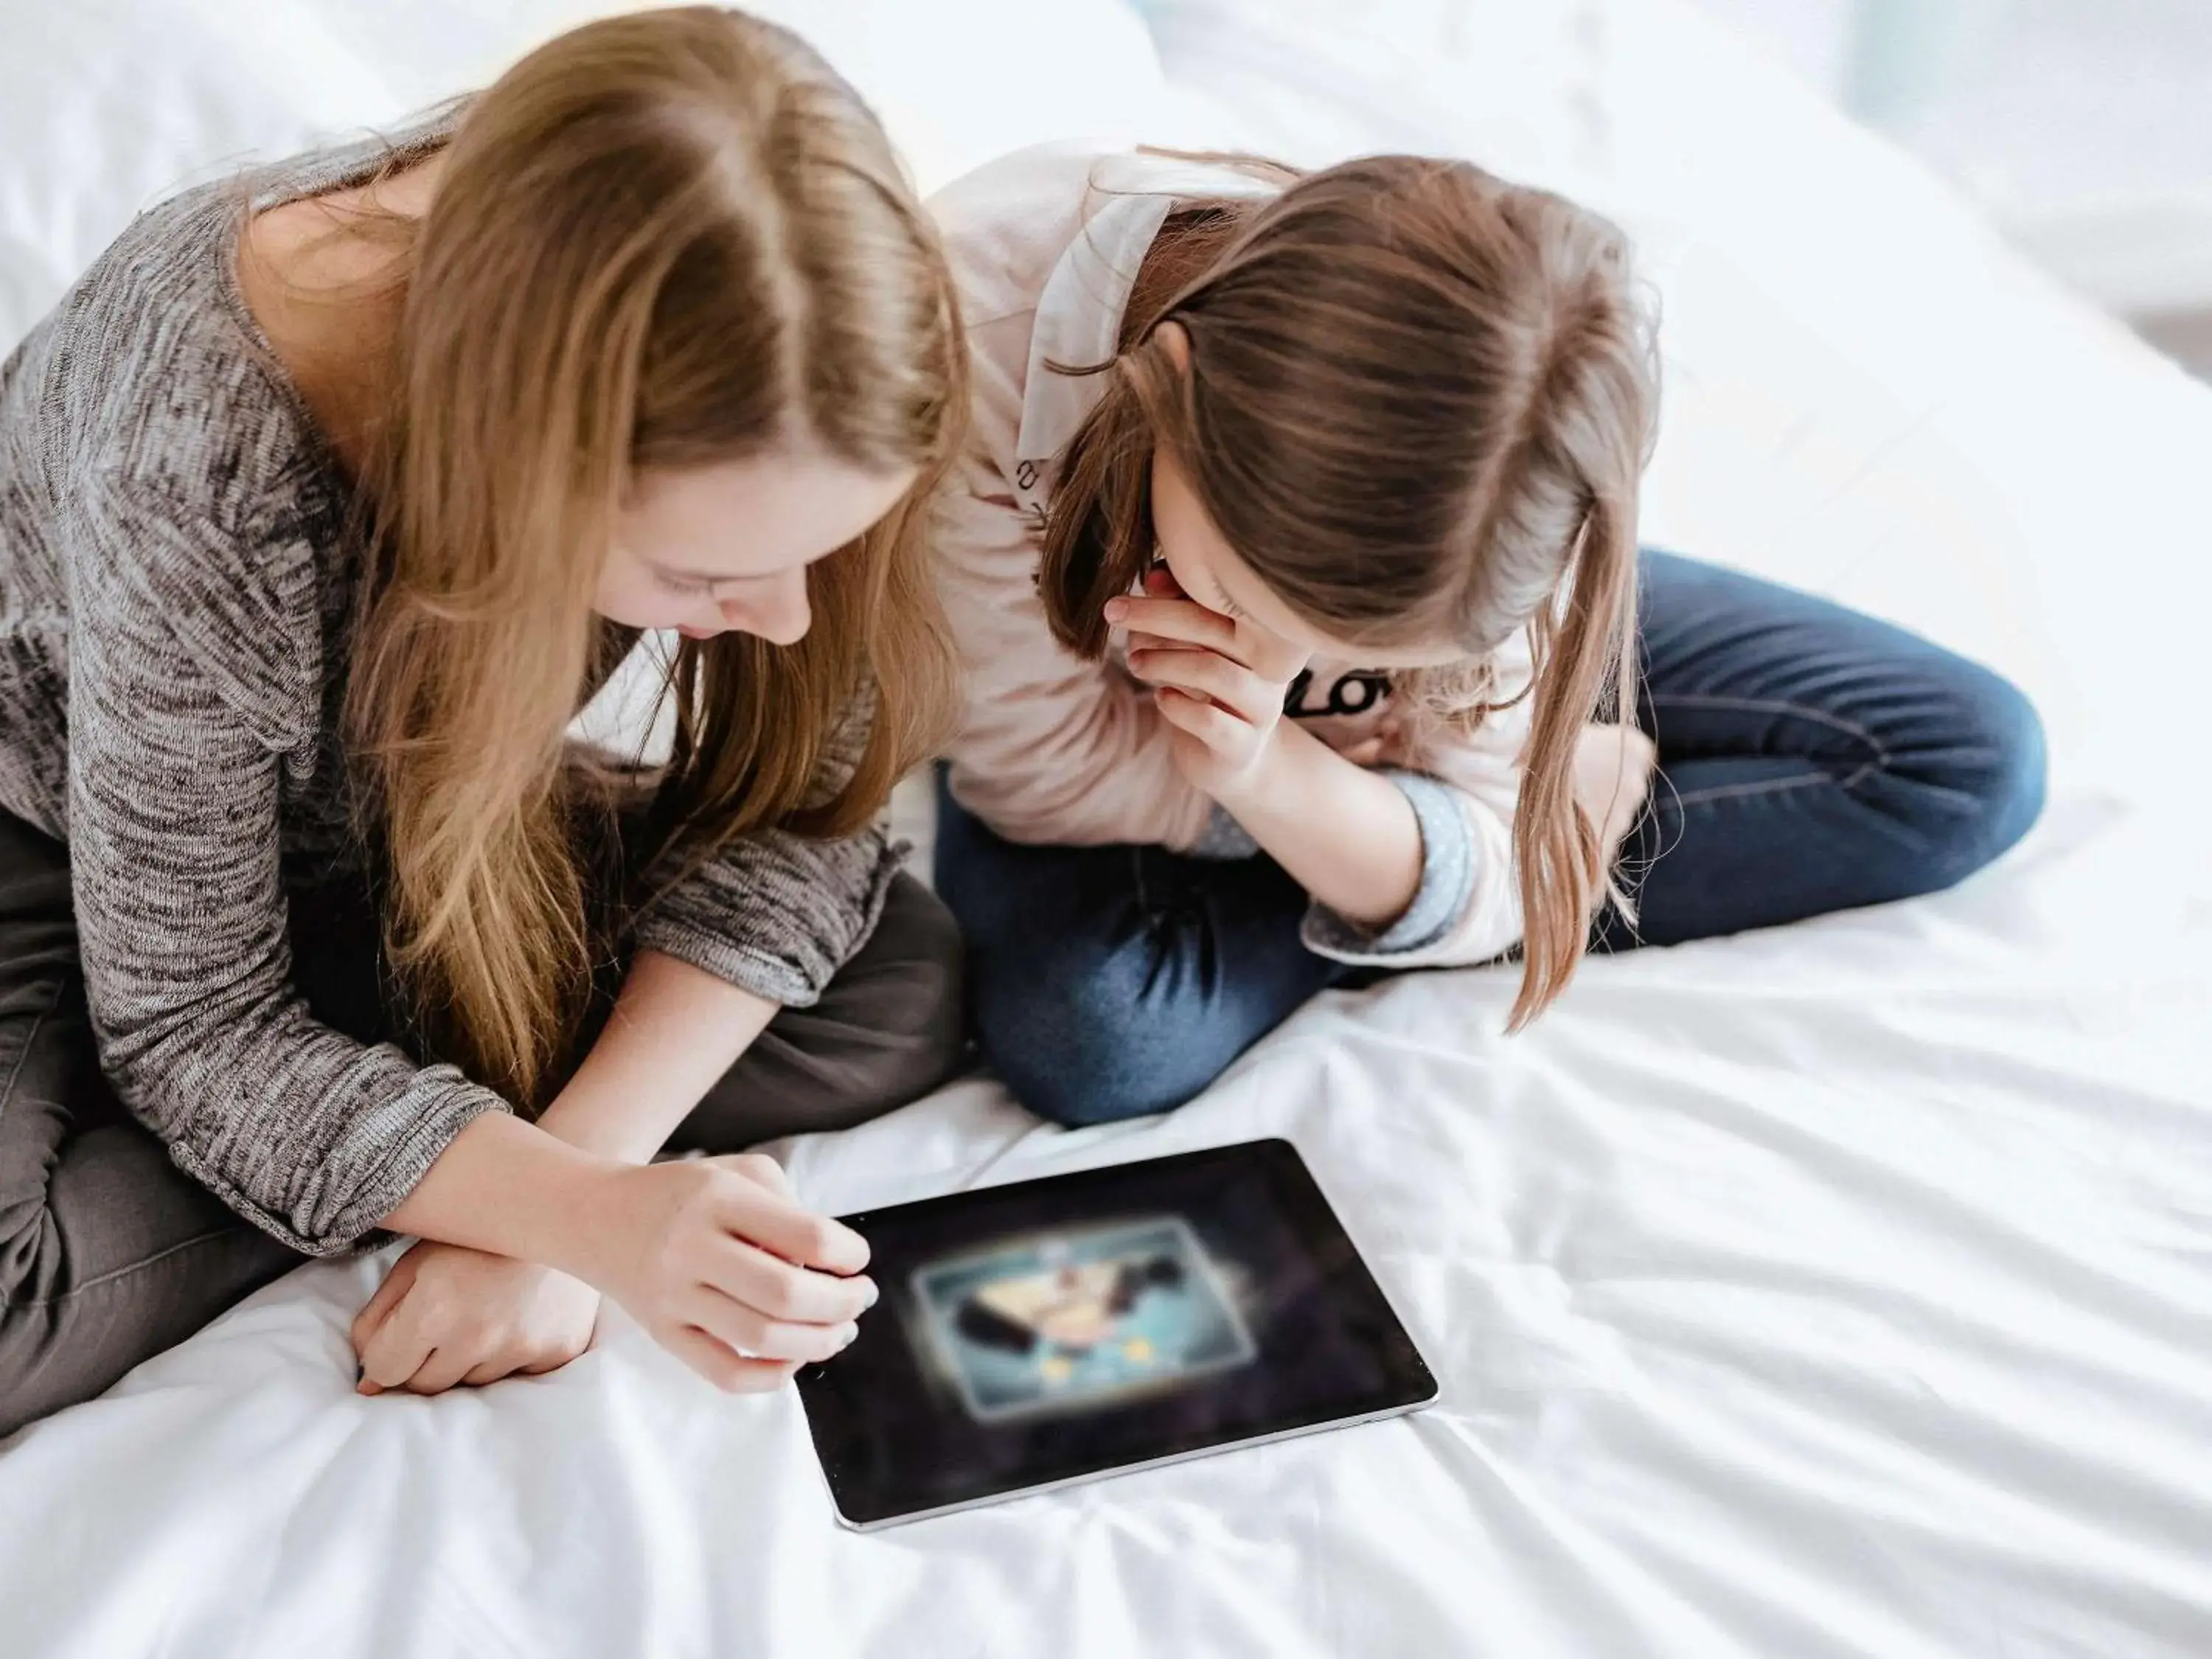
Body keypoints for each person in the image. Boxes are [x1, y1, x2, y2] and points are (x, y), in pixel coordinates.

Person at [0, 7, 970, 1439]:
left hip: (403, 803)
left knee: (904, 973)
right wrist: (586, 1215)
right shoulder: (201, 472)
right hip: (55, 825)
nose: (785, 624)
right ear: (513, 472)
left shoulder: (781, 271)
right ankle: (334, 1119)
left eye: (821, 553)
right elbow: (196, 1018)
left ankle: (358, 1119)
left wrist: (569, 1190)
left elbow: (817, 793)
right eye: (700, 577)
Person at [926, 143, 2048, 1127]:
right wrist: (1405, 815)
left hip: (1395, 630)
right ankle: (1461, 866)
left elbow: (1458, 708)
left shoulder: (1508, 440)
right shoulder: (977, 351)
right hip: (1102, 727)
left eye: (1357, 658)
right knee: (1095, 1037)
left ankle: (1421, 868)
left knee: (1967, 764)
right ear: (1170, 384)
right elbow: (1047, 774)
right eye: (1239, 600)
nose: (1296, 668)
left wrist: (1281, 774)